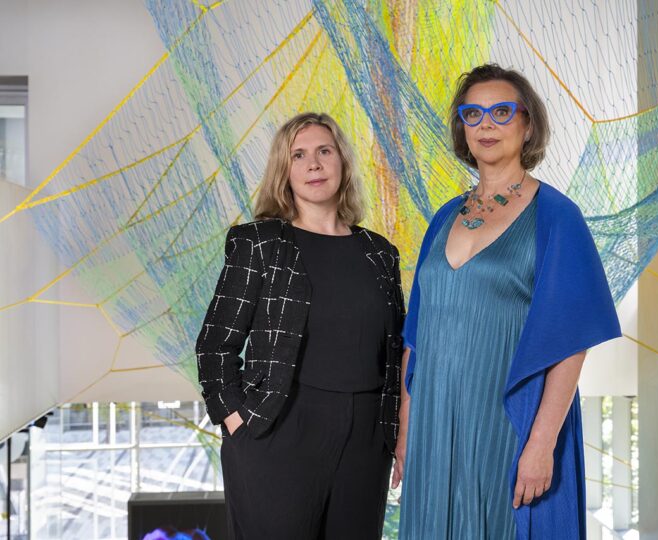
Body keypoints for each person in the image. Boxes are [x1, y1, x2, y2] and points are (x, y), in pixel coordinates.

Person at [393, 64, 622, 539]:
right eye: (472, 114)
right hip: (435, 424)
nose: (486, 125)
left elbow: (570, 343)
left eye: (501, 111)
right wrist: (405, 432)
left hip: (508, 421)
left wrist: (542, 443)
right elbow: (414, 341)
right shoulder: (442, 218)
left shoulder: (557, 216)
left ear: (528, 124)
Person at [196, 112, 404, 539]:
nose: (314, 164)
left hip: (366, 440)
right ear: (284, 171)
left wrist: (397, 436)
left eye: (324, 151)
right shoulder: (258, 243)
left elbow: (397, 354)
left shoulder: (380, 254)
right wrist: (236, 420)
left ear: (342, 163)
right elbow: (215, 345)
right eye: (299, 155)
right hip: (278, 430)